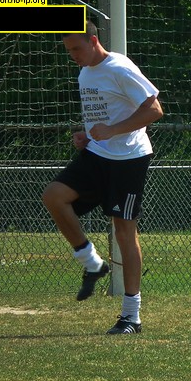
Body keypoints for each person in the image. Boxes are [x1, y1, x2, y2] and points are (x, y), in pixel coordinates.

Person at [42, 20, 163, 335]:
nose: (73, 56)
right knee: (54, 196)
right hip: (96, 155)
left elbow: (154, 110)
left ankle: (131, 316)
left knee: (124, 232)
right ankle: (92, 262)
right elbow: (102, 114)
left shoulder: (120, 68)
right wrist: (86, 135)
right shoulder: (85, 73)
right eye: (68, 51)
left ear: (94, 41)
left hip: (128, 160)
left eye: (76, 48)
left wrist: (112, 131)